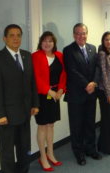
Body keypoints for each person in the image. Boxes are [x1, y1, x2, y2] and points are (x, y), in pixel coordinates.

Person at [0, 24, 39, 173]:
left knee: (25, 149)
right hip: (6, 116)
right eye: (12, 35)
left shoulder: (27, 55)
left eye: (18, 35)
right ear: (5, 38)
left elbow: (32, 83)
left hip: (25, 112)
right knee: (7, 153)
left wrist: (35, 104)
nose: (16, 38)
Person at [63, 23, 102, 166]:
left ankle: (91, 150)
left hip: (91, 94)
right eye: (78, 33)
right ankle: (79, 153)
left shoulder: (92, 48)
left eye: (84, 33)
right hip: (76, 96)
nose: (82, 36)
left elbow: (97, 68)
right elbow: (72, 72)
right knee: (77, 126)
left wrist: (94, 83)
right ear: (74, 35)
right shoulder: (68, 50)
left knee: (90, 124)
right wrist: (87, 84)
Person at [32, 31, 67, 171]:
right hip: (42, 95)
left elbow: (64, 75)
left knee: (51, 125)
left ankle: (50, 154)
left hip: (55, 95)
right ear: (40, 43)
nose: (47, 43)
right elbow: (35, 77)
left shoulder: (60, 56)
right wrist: (49, 91)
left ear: (54, 43)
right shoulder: (35, 56)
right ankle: (42, 157)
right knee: (42, 126)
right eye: (44, 41)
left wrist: (61, 90)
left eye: (50, 41)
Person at [97, 32, 110, 155]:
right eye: (106, 40)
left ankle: (102, 145)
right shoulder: (102, 54)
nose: (109, 42)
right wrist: (109, 93)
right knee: (107, 120)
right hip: (104, 92)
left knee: (109, 118)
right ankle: (106, 148)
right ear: (102, 41)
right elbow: (104, 75)